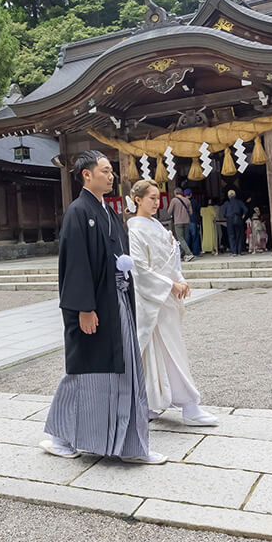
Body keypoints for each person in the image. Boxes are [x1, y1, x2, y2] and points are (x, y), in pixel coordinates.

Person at [39, 151, 165, 465]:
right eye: (106, 171)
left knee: (123, 369)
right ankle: (62, 436)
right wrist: (83, 308)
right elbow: (76, 264)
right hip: (95, 305)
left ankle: (127, 442)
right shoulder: (78, 212)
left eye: (111, 172)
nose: (111, 176)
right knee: (86, 372)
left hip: (115, 300)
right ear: (87, 174)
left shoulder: (106, 211)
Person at [127, 179, 218, 426]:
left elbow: (171, 259)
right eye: (151, 198)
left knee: (168, 350)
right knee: (162, 352)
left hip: (166, 295)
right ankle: (188, 405)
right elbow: (140, 269)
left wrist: (180, 279)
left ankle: (154, 402)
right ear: (137, 200)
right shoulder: (134, 229)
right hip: (154, 299)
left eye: (158, 198)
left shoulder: (157, 225)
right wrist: (170, 285)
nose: (157, 203)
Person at [170, 188, 196, 262]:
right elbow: (191, 212)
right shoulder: (187, 200)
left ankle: (189, 253)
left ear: (175, 193)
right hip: (187, 221)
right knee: (185, 238)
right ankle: (182, 255)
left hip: (178, 222)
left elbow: (169, 211)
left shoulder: (174, 200)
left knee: (180, 239)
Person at [221, 189, 248, 256]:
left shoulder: (226, 204)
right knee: (238, 235)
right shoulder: (239, 202)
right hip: (238, 218)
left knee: (231, 235)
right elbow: (245, 209)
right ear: (235, 195)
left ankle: (234, 252)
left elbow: (224, 213)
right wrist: (242, 216)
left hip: (229, 219)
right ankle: (239, 252)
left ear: (228, 196)